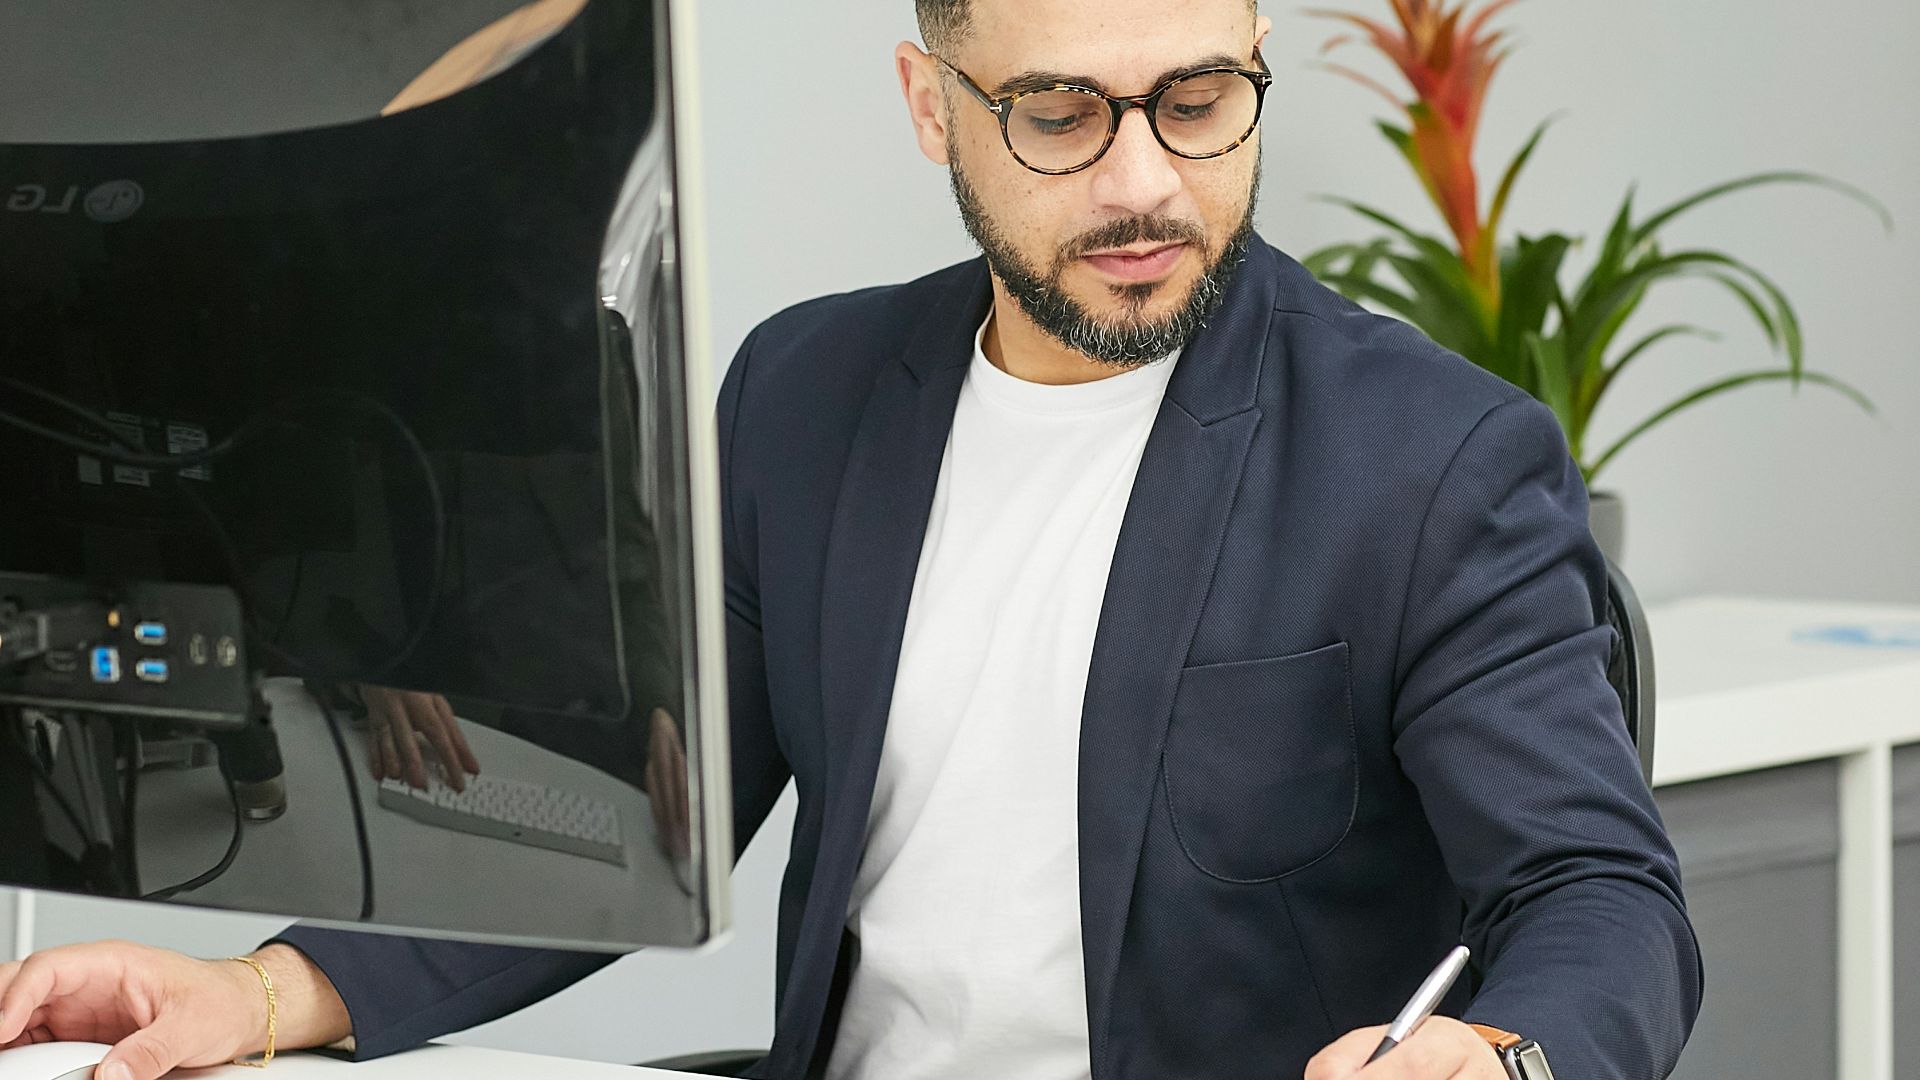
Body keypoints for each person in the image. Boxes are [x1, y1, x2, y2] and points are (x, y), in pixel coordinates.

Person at [0, 0, 1706, 1078]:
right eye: (1061, 113)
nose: (1144, 184)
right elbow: (637, 828)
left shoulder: (1431, 457)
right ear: (929, 101)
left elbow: (1598, 890)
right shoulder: (810, 389)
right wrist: (274, 992)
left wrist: (1496, 1065)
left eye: (1199, 99)